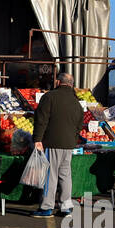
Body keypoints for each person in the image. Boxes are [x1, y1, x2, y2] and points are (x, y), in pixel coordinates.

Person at [30, 72, 83, 217]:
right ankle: (66, 207)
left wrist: (37, 139)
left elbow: (41, 120)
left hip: (53, 142)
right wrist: (73, 139)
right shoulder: (76, 102)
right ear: (71, 84)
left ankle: (46, 207)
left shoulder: (50, 97)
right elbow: (80, 125)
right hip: (69, 145)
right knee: (65, 175)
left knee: (50, 175)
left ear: (58, 82)